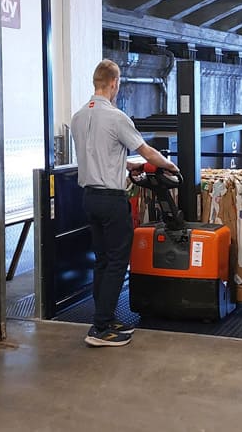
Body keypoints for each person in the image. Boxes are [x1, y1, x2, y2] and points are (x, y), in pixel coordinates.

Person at [71, 59, 179, 347]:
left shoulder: (79, 116)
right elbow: (148, 152)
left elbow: (99, 156)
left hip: (89, 198)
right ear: (115, 83)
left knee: (103, 262)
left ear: (96, 81)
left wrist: (127, 166)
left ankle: (104, 317)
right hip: (111, 200)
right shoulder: (117, 117)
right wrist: (171, 166)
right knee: (118, 263)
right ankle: (101, 329)